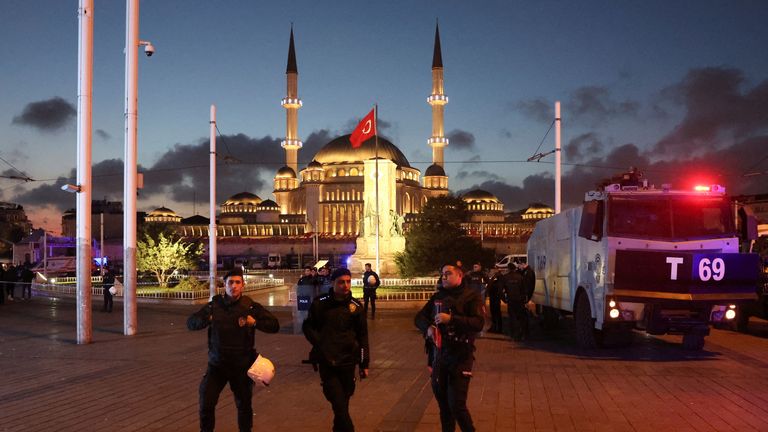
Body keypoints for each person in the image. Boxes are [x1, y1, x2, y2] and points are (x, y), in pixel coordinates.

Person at [187, 269, 280, 432]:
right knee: (206, 402)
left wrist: (255, 323)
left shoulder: (250, 306)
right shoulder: (214, 305)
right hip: (217, 366)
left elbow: (274, 326)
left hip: (242, 366)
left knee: (244, 406)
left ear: (243, 285)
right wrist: (205, 319)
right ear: (225, 285)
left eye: (238, 282)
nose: (234, 286)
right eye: (230, 282)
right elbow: (191, 322)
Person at [415, 263, 484, 432]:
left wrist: (451, 319)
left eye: (448, 273)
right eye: (442, 274)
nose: (443, 277)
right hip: (439, 356)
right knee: (444, 406)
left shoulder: (471, 297)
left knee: (457, 405)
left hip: (460, 356)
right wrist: (428, 328)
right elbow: (419, 318)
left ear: (459, 276)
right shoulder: (438, 296)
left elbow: (478, 323)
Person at [303, 268, 370, 432]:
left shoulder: (356, 307)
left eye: (348, 281)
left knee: (343, 404)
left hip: (348, 362)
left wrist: (364, 363)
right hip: (328, 362)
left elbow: (363, 337)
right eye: (341, 282)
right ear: (333, 283)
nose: (345, 285)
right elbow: (308, 327)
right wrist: (321, 343)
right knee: (339, 404)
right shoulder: (320, 303)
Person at [504, 262, 528, 341]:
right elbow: (524, 289)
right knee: (520, 318)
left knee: (512, 318)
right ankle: (521, 334)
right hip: (519, 300)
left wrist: (504, 299)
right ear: (514, 268)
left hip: (511, 300)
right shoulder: (520, 277)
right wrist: (524, 299)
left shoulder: (506, 277)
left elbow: (501, 290)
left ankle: (513, 335)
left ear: (508, 268)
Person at [486, 268, 505, 333]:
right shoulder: (494, 276)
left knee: (497, 313)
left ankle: (499, 328)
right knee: (493, 313)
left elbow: (499, 287)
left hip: (496, 297)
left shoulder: (499, 277)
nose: (491, 271)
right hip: (493, 297)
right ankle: (494, 327)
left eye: (491, 270)